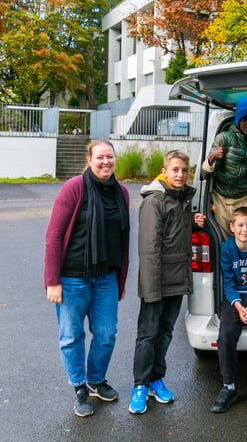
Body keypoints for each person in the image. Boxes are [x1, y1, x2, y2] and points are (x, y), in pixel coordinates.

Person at [44, 139, 130, 417]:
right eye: (100, 157)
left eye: (110, 157)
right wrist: (52, 280)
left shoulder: (122, 193)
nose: (106, 162)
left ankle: (95, 380)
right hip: (71, 278)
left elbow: (122, 240)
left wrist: (121, 280)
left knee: (106, 334)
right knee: (71, 335)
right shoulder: (73, 189)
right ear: (89, 159)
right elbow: (54, 236)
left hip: (106, 276)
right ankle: (79, 387)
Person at [129, 150, 206, 414]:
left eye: (184, 170)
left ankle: (155, 379)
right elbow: (149, 249)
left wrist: (191, 224)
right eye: (175, 170)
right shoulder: (155, 200)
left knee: (165, 332)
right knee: (148, 334)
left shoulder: (182, 198)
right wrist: (151, 290)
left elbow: (174, 231)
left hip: (177, 279)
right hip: (157, 281)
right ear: (164, 170)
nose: (180, 175)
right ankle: (139, 385)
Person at [211, 207, 247, 415]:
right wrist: (239, 306)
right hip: (234, 297)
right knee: (226, 332)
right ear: (232, 227)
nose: (245, 229)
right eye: (241, 225)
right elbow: (227, 283)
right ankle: (229, 386)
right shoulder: (227, 249)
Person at [202, 96, 247, 239]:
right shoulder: (224, 138)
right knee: (225, 241)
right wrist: (211, 158)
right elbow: (205, 176)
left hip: (244, 198)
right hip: (221, 199)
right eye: (245, 119)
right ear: (238, 120)